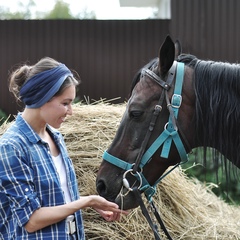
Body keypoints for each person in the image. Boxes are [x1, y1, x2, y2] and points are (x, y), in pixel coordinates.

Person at [0, 57, 127, 240]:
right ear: (42, 98)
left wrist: (91, 205)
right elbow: (31, 220)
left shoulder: (55, 137)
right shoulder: (12, 147)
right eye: (65, 103)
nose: (71, 111)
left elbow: (56, 199)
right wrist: (85, 202)